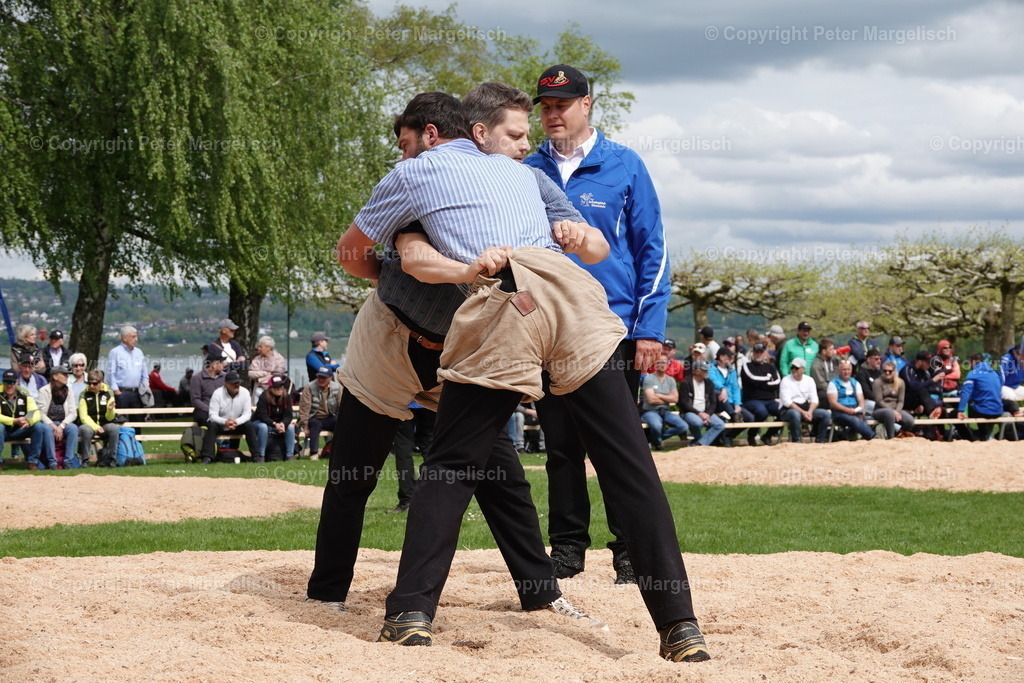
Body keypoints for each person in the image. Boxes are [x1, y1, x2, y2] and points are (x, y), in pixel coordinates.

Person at [338, 91, 709, 661]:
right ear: (480, 132)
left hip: (506, 298)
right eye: (516, 132)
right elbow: (597, 247)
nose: (525, 141)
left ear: (437, 134)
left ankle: (410, 612)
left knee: (453, 465)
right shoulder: (527, 175)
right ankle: (681, 629)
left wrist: (397, 269)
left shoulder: (414, 172)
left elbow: (350, 253)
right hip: (573, 297)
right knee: (629, 464)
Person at [307, 82, 604, 637]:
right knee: (354, 469)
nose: (402, 156)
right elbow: (389, 253)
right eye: (515, 133)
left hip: (467, 348)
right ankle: (326, 594)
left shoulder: (520, 180)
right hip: (395, 335)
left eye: (405, 143)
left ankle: (541, 593)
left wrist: (576, 235)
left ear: (434, 134)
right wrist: (394, 276)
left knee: (501, 474)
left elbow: (589, 244)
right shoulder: (418, 180)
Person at [522, 65, 673, 584]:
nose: (552, 114)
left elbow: (653, 248)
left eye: (562, 105)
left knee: (619, 446)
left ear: (587, 104)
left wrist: (649, 328)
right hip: (549, 325)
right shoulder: (526, 168)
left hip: (612, 327)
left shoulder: (625, 164)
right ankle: (567, 550)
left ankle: (630, 550)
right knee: (561, 446)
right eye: (545, 106)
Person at [0, 368, 54, 470]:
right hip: (4, 431)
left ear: (17, 382)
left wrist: (29, 421)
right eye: (6, 382)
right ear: (2, 383)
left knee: (38, 426)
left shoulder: (24, 394)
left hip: (20, 430)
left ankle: (32, 462)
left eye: (12, 382)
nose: (9, 385)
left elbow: (36, 413)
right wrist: (14, 421)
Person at [201, 371, 259, 463]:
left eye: (238, 382)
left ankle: (256, 456)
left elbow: (247, 414)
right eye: (234, 383)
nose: (237, 385)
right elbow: (212, 415)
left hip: (237, 424)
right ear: (226, 384)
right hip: (220, 424)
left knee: (249, 425)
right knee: (212, 425)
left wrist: (237, 421)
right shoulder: (217, 393)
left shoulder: (245, 392)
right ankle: (207, 457)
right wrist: (225, 422)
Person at [640, 354, 687, 450]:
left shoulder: (671, 380)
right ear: (655, 364)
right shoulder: (649, 379)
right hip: (650, 411)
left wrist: (659, 395)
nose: (661, 365)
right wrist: (667, 398)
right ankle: (657, 444)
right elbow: (651, 400)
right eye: (659, 362)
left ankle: (654, 440)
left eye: (664, 362)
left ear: (668, 364)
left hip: (666, 411)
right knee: (657, 426)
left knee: (683, 426)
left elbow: (675, 399)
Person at [740, 342, 783, 446]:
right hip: (752, 400)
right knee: (762, 412)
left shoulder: (771, 366)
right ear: (753, 352)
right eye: (756, 352)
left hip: (770, 400)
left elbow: (777, 383)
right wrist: (768, 379)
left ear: (765, 353)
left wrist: (759, 384)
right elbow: (751, 379)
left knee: (784, 412)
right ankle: (752, 435)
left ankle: (768, 435)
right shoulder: (747, 366)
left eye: (761, 351)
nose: (758, 354)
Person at [37, 364, 80, 468]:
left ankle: (68, 461)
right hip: (49, 423)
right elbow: (41, 413)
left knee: (73, 428)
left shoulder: (69, 391)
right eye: (64, 374)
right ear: (55, 376)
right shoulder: (44, 390)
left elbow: (73, 413)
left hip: (63, 423)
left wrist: (61, 426)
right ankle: (52, 461)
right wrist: (54, 426)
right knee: (46, 429)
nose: (67, 377)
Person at [779, 358, 831, 443]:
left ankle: (820, 440)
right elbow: (787, 402)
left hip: (806, 408)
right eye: (792, 367)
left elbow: (815, 400)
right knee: (795, 414)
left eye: (796, 368)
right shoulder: (785, 380)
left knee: (825, 414)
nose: (794, 370)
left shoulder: (809, 380)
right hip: (788, 410)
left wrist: (809, 412)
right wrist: (803, 412)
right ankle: (796, 441)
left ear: (803, 369)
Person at [707, 347, 752, 446]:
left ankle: (728, 436)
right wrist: (722, 388)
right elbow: (713, 380)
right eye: (730, 357)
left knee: (749, 418)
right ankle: (733, 415)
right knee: (719, 393)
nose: (732, 359)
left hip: (730, 401)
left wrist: (737, 404)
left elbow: (736, 388)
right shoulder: (710, 368)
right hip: (716, 402)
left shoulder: (732, 371)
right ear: (721, 357)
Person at [678, 360, 726, 446]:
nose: (707, 372)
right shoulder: (685, 383)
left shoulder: (709, 383)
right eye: (704, 370)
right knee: (697, 422)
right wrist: (699, 413)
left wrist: (707, 414)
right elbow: (684, 403)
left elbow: (713, 402)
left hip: (706, 412)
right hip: (690, 412)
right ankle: (699, 440)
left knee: (720, 424)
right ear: (696, 371)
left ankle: (700, 443)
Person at [959, 353, 1005, 441]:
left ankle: (970, 437)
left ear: (973, 362)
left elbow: (965, 392)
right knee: (982, 405)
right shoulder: (994, 373)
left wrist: (961, 409)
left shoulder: (973, 373)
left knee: (955, 413)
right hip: (998, 411)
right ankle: (984, 435)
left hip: (983, 412)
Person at [78, 369, 119, 467]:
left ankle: (112, 459)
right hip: (90, 425)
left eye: (95, 383)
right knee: (85, 429)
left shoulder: (109, 393)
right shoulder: (83, 394)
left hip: (105, 424)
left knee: (113, 428)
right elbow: (83, 416)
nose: (91, 386)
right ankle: (85, 460)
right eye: (89, 383)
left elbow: (110, 418)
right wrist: (96, 427)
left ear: (101, 382)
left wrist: (110, 410)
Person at [826, 360, 875, 441]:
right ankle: (872, 436)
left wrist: (859, 409)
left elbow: (861, 400)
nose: (846, 372)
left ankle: (857, 439)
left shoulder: (855, 383)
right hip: (839, 412)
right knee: (853, 420)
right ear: (838, 371)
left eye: (848, 369)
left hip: (854, 410)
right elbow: (833, 403)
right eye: (844, 370)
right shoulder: (833, 383)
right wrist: (847, 410)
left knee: (862, 419)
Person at [298, 365, 341, 458]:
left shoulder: (336, 387)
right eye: (319, 377)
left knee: (340, 423)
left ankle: (338, 451)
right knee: (315, 424)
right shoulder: (309, 387)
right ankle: (314, 453)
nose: (321, 380)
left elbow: (340, 406)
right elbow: (304, 409)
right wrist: (305, 426)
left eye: (323, 378)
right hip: (314, 417)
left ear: (330, 378)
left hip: (329, 417)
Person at [253, 374, 295, 462]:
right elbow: (262, 416)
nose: (279, 389)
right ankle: (261, 455)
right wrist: (274, 424)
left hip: (279, 424)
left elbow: (288, 415)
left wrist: (283, 424)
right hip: (261, 422)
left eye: (281, 387)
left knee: (290, 427)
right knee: (263, 427)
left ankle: (290, 455)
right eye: (276, 387)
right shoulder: (263, 397)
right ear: (271, 388)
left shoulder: (287, 397)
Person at [106, 325, 149, 410]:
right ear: (125, 338)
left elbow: (144, 373)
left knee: (138, 417)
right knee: (121, 417)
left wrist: (145, 386)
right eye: (133, 337)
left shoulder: (139, 352)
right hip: (121, 392)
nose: (136, 339)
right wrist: (116, 391)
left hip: (137, 393)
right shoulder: (115, 352)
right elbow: (110, 374)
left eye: (136, 336)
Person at [872, 360, 916, 439]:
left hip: (896, 409)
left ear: (894, 371)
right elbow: (879, 401)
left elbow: (901, 401)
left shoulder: (900, 382)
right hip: (880, 409)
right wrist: (893, 412)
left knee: (910, 420)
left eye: (890, 371)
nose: (887, 373)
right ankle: (891, 438)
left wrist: (897, 411)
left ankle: (899, 434)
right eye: (885, 371)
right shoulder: (877, 382)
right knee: (889, 413)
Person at [190, 352, 226, 424]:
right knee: (202, 417)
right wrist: (211, 410)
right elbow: (195, 400)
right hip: (205, 411)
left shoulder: (225, 377)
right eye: (221, 362)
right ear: (214, 365)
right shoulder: (197, 378)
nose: (224, 364)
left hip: (222, 409)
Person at [810, 339, 837, 407]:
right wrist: (833, 389)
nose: (833, 351)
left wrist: (844, 359)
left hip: (835, 386)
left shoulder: (834, 360)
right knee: (826, 396)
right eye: (831, 349)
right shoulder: (816, 365)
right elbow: (820, 384)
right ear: (824, 351)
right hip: (823, 390)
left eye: (833, 349)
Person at [998, 337, 1024, 403]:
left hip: (1016, 386)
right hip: (1005, 386)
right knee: (1011, 397)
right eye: (1018, 353)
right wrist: (999, 389)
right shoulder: (1007, 358)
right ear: (1014, 351)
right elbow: (1002, 374)